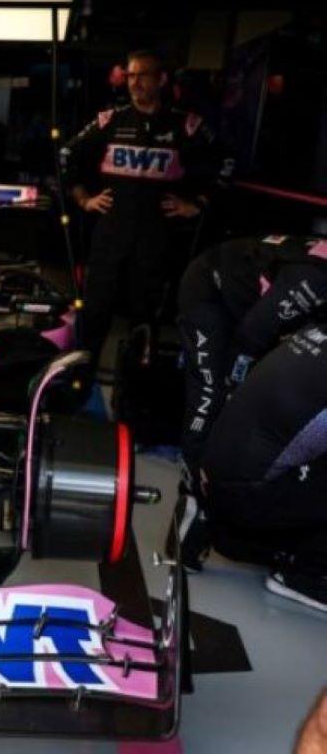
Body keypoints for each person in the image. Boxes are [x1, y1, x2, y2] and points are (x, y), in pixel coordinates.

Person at [61, 50, 230, 375]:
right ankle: (78, 379)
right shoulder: (110, 120)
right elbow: (66, 155)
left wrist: (197, 204)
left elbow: (227, 161)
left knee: (145, 316)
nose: (134, 82)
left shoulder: (186, 124)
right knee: (94, 312)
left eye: (142, 75)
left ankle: (134, 387)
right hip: (111, 234)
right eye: (130, 75)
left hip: (156, 239)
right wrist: (83, 199)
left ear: (161, 79)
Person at [192, 318, 327, 611]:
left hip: (214, 471)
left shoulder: (316, 329)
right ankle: (306, 575)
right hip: (242, 496)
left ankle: (212, 522)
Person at [176, 235, 327, 479]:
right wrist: (235, 386)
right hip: (209, 289)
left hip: (252, 303)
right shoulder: (313, 278)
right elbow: (250, 338)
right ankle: (192, 476)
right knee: (211, 392)